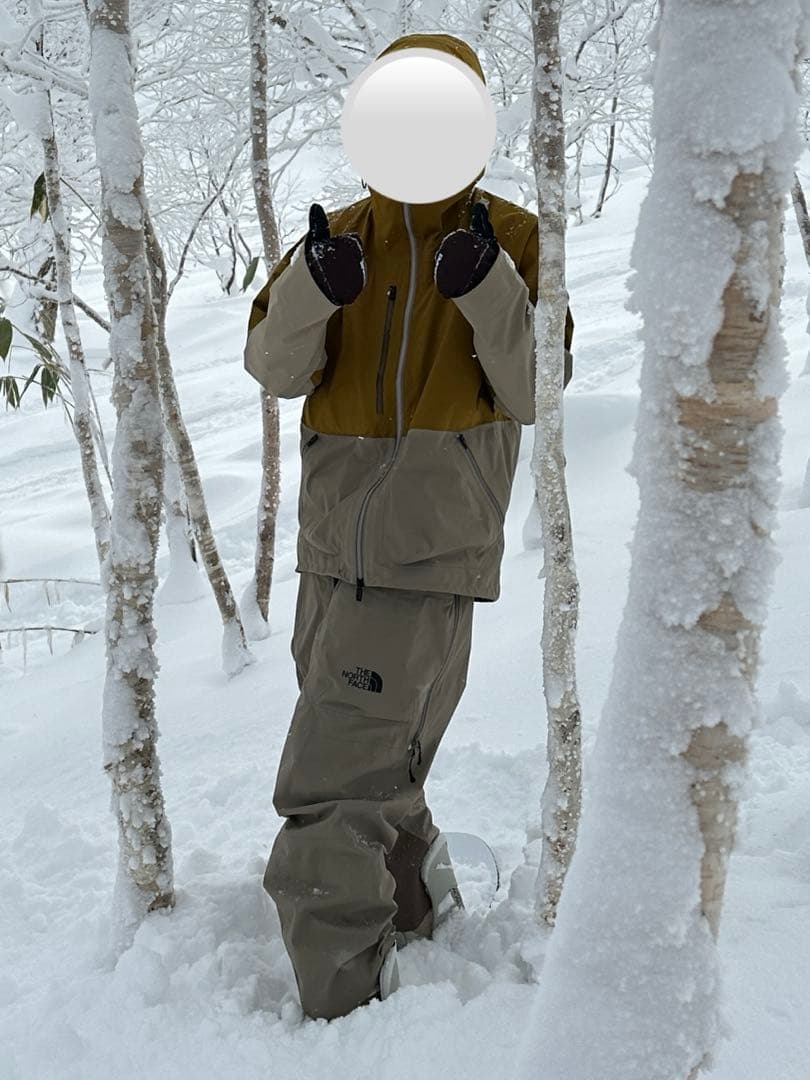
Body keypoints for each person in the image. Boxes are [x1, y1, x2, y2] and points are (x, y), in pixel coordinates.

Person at [243, 31, 574, 1022]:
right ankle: (423, 913)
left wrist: (487, 289)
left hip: (424, 555)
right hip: (328, 551)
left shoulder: (515, 239)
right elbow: (273, 369)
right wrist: (313, 287)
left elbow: (538, 387)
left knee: (329, 788)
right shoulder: (337, 235)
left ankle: (344, 997)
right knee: (372, 758)